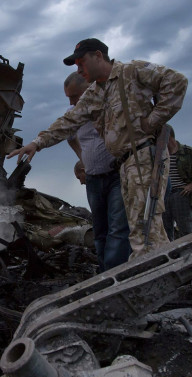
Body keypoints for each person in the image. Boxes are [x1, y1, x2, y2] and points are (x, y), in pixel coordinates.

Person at [8, 38, 188, 258]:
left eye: (81, 62)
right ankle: (164, 275)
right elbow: (68, 121)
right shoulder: (95, 93)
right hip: (125, 164)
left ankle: (149, 280)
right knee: (143, 229)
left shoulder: (131, 71)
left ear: (98, 56)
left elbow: (177, 81)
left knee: (144, 227)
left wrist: (152, 121)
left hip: (143, 155)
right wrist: (37, 143)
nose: (78, 68)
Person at [65, 72, 130, 271]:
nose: (72, 101)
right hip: (93, 178)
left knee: (118, 227)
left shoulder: (109, 104)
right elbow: (69, 137)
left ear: (90, 88)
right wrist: (83, 159)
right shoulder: (73, 112)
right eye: (68, 97)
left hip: (116, 175)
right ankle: (104, 273)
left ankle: (115, 275)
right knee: (100, 230)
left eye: (75, 96)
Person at [162, 126, 192, 240]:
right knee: (164, 230)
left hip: (181, 194)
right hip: (163, 195)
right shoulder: (160, 155)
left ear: (169, 137)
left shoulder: (187, 152)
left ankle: (191, 254)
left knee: (186, 229)